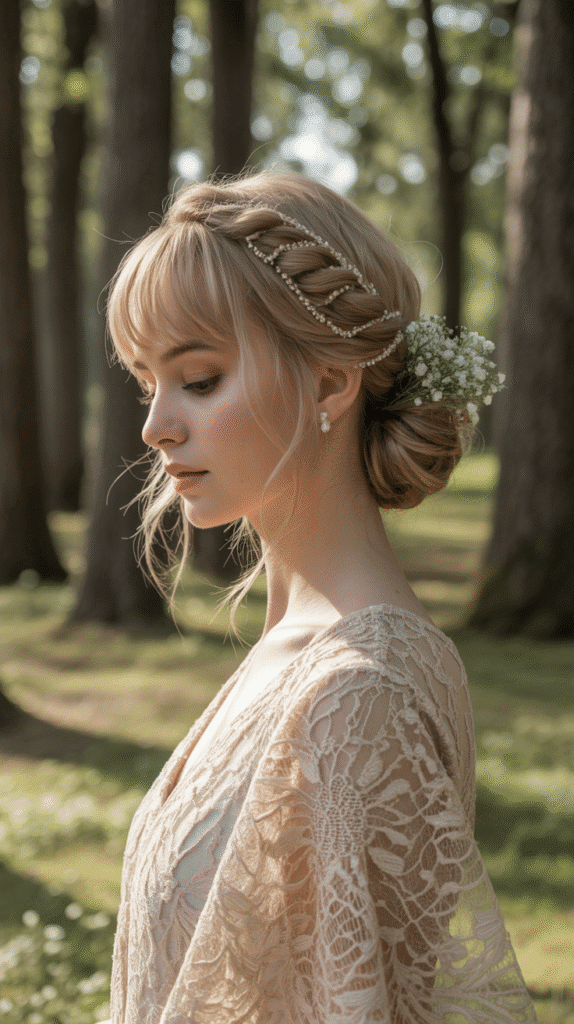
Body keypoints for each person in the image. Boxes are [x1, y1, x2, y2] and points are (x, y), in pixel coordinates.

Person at [105, 171, 535, 1023]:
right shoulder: (295, 650)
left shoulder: (359, 689)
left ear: (333, 382)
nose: (155, 426)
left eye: (199, 379)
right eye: (147, 380)